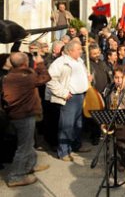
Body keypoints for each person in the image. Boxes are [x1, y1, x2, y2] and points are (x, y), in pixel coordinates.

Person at [3, 52, 51, 187]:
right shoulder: (26, 77)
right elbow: (46, 77)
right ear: (24, 63)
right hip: (24, 116)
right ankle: (15, 176)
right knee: (23, 147)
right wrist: (40, 63)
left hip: (17, 115)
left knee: (28, 143)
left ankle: (29, 166)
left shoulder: (10, 76)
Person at [46, 40, 91, 161]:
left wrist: (87, 79)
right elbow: (50, 80)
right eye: (78, 49)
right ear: (71, 51)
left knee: (78, 124)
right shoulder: (60, 62)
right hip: (69, 98)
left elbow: (82, 74)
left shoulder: (80, 61)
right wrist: (63, 93)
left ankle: (75, 146)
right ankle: (64, 151)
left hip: (81, 96)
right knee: (67, 125)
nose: (81, 51)